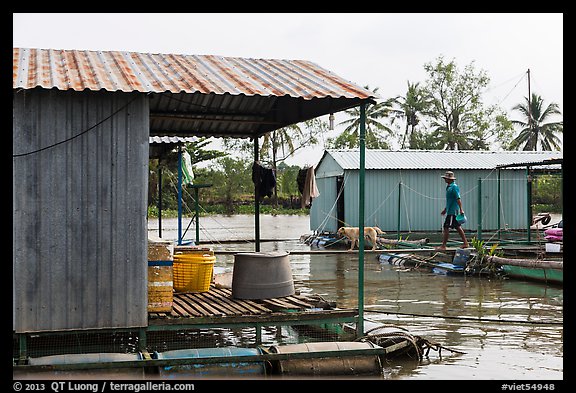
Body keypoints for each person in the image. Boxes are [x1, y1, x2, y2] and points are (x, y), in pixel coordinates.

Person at [436, 171, 469, 250]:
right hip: (450, 210)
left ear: (450, 179)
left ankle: (443, 246)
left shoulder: (454, 187)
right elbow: (450, 200)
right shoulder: (449, 187)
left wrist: (461, 209)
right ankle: (465, 243)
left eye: (446, 178)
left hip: (453, 211)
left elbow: (458, 198)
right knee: (457, 227)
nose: (445, 180)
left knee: (446, 227)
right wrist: (445, 209)